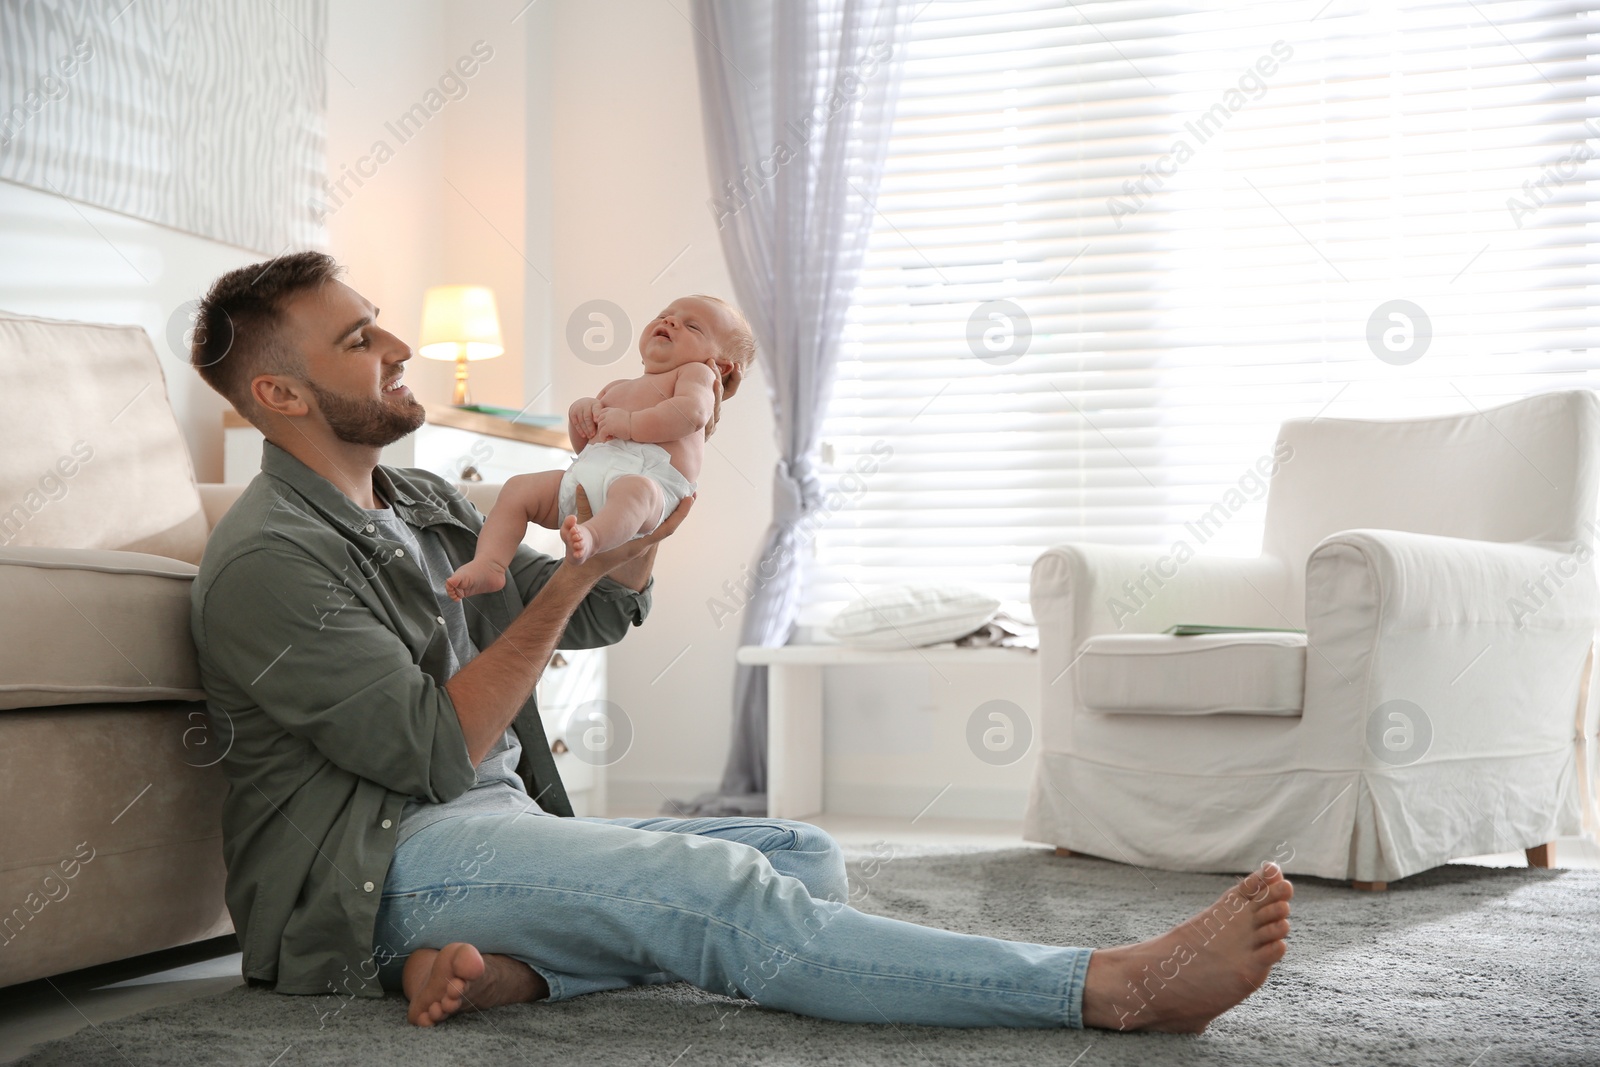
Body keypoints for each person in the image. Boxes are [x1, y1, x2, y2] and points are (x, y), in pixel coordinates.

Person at [188, 251, 1293, 1035]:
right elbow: (433, 752)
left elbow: (608, 612)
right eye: (357, 335)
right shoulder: (271, 559)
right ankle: (1100, 985)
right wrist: (574, 571)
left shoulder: (419, 500)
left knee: (800, 854)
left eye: (378, 317)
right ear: (279, 392)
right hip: (378, 868)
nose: (397, 341)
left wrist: (645, 525)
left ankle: (521, 971)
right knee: (713, 890)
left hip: (487, 821)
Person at [446, 294, 754, 597]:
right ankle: (490, 563)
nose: (670, 321)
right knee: (517, 488)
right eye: (664, 315)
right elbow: (587, 447)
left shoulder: (695, 375)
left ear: (721, 369)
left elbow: (692, 413)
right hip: (587, 477)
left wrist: (630, 424)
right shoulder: (618, 387)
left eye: (693, 326)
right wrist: (581, 415)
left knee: (636, 491)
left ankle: (592, 536)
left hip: (651, 484)